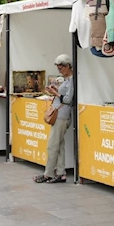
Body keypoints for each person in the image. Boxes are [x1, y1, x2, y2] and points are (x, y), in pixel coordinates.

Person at [33, 54, 74, 184]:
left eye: (61, 68)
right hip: (60, 115)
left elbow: (68, 99)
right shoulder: (67, 79)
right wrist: (56, 90)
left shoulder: (72, 80)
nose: (59, 70)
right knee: (59, 145)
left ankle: (48, 173)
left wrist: (55, 93)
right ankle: (61, 173)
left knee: (52, 146)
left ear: (68, 66)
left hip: (62, 115)